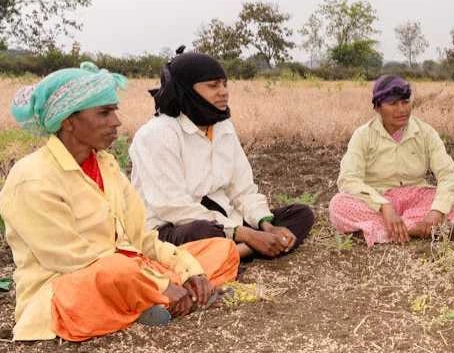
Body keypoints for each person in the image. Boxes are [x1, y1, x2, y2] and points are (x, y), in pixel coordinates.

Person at [0, 62, 239, 342]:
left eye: (114, 111)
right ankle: (155, 299)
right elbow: (74, 260)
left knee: (222, 249)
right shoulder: (31, 178)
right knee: (116, 269)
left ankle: (152, 303)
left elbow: (143, 240)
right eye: (104, 113)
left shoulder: (106, 164)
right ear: (68, 121)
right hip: (70, 288)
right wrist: (160, 280)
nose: (116, 122)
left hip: (132, 272)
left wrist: (188, 271)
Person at [130, 48, 315, 259]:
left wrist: (266, 226)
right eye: (213, 85)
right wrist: (246, 234)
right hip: (173, 226)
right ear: (185, 90)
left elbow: (242, 189)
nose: (223, 91)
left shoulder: (223, 127)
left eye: (224, 84)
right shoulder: (157, 134)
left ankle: (239, 251)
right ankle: (243, 250)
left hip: (224, 220)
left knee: (301, 214)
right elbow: (173, 207)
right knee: (202, 231)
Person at [328, 75, 454, 246]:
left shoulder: (426, 132)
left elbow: (448, 175)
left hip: (417, 197)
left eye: (405, 102)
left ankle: (390, 231)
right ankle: (416, 229)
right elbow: (349, 179)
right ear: (377, 107)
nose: (401, 109)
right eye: (393, 104)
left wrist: (436, 211)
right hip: (377, 199)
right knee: (338, 205)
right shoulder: (363, 135)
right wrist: (384, 206)